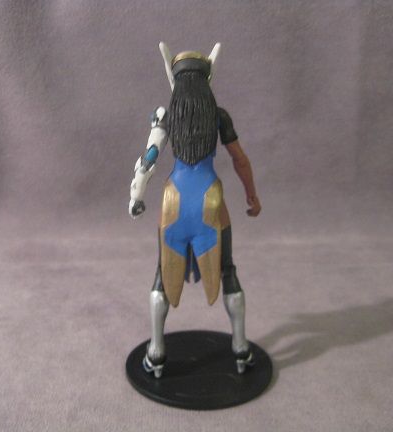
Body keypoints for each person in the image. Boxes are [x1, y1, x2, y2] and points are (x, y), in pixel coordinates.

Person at [129, 43, 261, 378]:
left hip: (173, 199)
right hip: (209, 197)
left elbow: (148, 159)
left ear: (174, 80)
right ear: (207, 80)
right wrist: (252, 195)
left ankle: (157, 352)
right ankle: (241, 348)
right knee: (228, 270)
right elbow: (240, 159)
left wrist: (136, 197)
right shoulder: (218, 115)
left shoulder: (165, 115)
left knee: (162, 273)